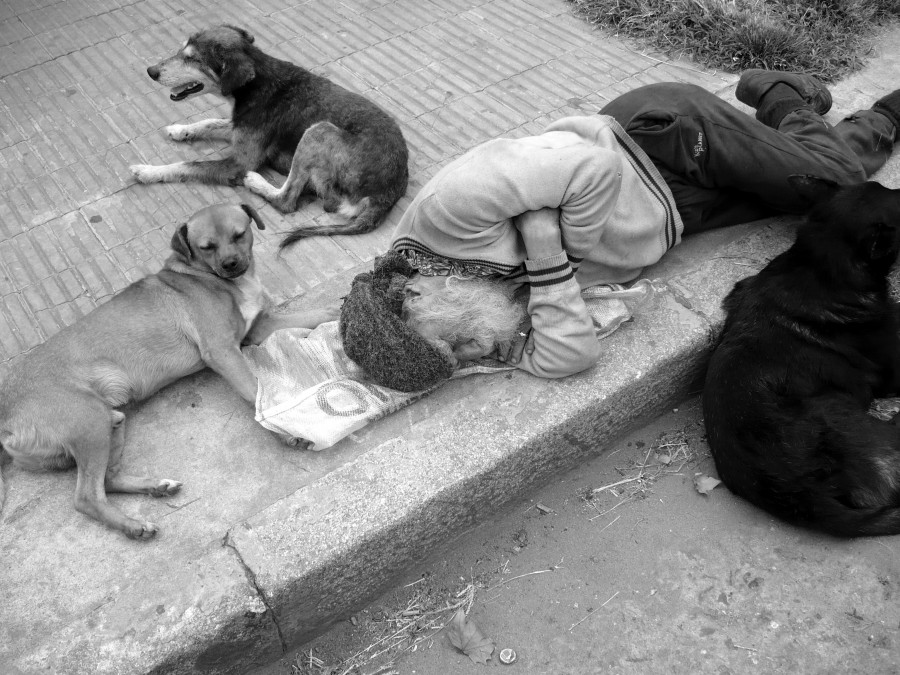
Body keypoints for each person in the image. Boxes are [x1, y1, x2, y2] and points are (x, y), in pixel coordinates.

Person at [342, 70, 900, 388]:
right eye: (460, 361)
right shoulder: (473, 303)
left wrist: (563, 249)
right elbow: (569, 358)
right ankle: (814, 120)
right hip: (677, 214)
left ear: (411, 294)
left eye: (453, 345)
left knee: (839, 183)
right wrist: (548, 264)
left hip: (657, 141)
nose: (475, 353)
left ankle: (780, 94)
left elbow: (595, 169)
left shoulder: (449, 211)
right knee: (827, 202)